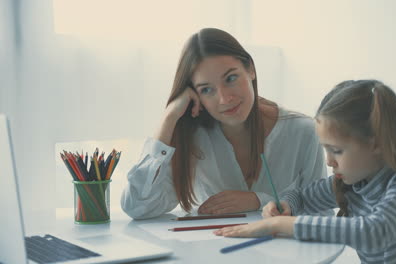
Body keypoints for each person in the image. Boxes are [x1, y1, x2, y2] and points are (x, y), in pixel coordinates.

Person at [214, 80, 396, 263]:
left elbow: (374, 232)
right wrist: (285, 205)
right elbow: (302, 195)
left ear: (377, 143)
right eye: (326, 149)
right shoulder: (353, 181)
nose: (329, 162)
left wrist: (280, 225)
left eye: (336, 151)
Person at [121, 28, 329, 219]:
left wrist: (258, 201)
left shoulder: (304, 132)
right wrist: (169, 118)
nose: (224, 99)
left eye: (230, 78)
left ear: (250, 69)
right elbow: (137, 207)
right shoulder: (193, 136)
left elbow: (323, 216)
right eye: (206, 89)